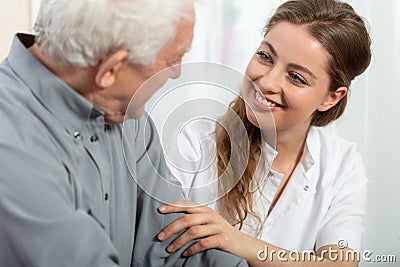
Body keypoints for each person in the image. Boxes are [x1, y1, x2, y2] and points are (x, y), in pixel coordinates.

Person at [0, 0, 248, 266]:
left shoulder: (128, 117)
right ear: (110, 71)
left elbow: (181, 238)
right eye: (172, 58)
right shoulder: (11, 144)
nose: (176, 72)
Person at [158, 0, 372, 266]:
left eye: (296, 77)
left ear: (331, 97)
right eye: (265, 57)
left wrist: (237, 242)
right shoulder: (193, 139)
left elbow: (340, 264)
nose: (267, 82)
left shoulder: (342, 165)